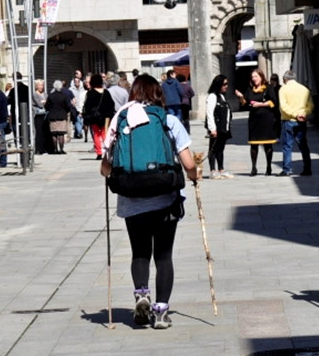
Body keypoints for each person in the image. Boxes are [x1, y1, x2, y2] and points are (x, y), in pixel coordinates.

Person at [99, 75, 199, 329]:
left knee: (140, 252)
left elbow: (105, 169)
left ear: (133, 93)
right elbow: (188, 164)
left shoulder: (121, 122)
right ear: (158, 94)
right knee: (163, 256)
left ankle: (141, 293)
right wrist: (195, 175)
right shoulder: (168, 120)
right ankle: (162, 312)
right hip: (165, 198)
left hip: (133, 200)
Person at [234, 69, 278, 177]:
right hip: (254, 119)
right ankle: (253, 167)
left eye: (256, 76)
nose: (254, 79)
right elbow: (245, 104)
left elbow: (274, 102)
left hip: (266, 118)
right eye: (252, 77)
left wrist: (260, 104)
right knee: (254, 144)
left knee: (268, 144)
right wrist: (240, 97)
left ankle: (268, 166)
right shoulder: (250, 89)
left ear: (261, 77)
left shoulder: (268, 88)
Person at [278, 70, 313, 176]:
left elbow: (283, 107)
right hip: (301, 121)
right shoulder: (304, 89)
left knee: (287, 146)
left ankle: (287, 169)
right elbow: (310, 106)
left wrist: (294, 114)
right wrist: (303, 114)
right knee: (303, 145)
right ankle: (307, 169)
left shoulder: (283, 89)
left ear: (285, 79)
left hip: (288, 120)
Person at [205, 75, 233, 179]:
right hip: (216, 127)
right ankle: (213, 170)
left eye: (227, 84)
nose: (226, 86)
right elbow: (210, 113)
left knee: (220, 149)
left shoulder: (222, 96)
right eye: (224, 84)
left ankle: (221, 169)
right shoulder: (212, 96)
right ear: (219, 84)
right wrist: (212, 128)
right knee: (213, 148)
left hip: (223, 127)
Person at [83, 73, 116, 160]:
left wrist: (86, 116)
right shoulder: (106, 92)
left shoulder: (91, 93)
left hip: (94, 117)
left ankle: (99, 153)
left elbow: (87, 106)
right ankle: (106, 150)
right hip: (106, 118)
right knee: (105, 133)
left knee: (96, 134)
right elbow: (111, 105)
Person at [44, 80, 72, 154]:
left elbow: (47, 106)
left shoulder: (51, 96)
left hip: (53, 116)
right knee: (61, 134)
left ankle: (55, 149)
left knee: (54, 134)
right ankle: (61, 149)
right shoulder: (64, 96)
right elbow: (68, 106)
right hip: (62, 116)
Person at [67, 70, 87, 139]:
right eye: (76, 81)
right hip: (74, 107)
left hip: (82, 106)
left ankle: (77, 133)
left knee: (81, 120)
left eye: (78, 81)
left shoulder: (83, 88)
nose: (77, 83)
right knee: (77, 120)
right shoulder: (71, 89)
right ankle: (79, 132)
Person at [32, 79, 48, 154]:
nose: (42, 87)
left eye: (42, 85)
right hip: (38, 115)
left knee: (45, 132)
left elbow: (48, 103)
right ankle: (38, 148)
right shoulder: (35, 94)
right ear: (36, 86)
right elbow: (40, 104)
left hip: (45, 115)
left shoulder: (45, 94)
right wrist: (44, 102)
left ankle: (44, 148)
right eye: (40, 85)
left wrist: (44, 102)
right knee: (39, 132)